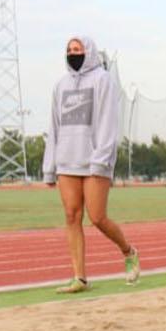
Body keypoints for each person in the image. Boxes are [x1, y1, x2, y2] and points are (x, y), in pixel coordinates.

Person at [41, 36, 141, 293]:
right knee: (72, 216)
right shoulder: (60, 85)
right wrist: (49, 166)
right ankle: (80, 278)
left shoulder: (103, 80)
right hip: (67, 160)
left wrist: (101, 158)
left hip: (95, 159)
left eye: (78, 49)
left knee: (97, 217)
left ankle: (128, 251)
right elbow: (54, 125)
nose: (73, 53)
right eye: (69, 50)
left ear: (89, 52)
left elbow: (109, 121)